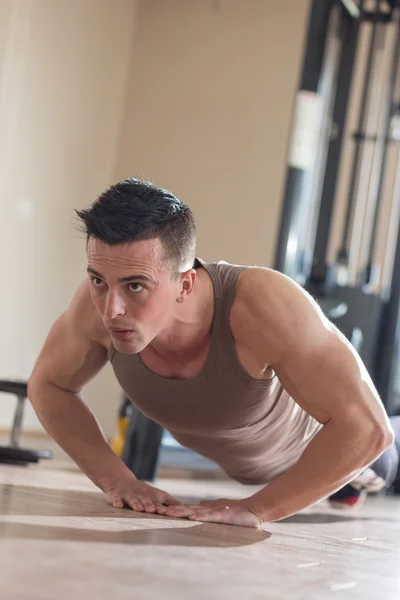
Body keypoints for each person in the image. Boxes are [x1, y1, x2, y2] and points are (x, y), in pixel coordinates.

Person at [28, 179, 398, 529]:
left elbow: (366, 431)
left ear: (184, 284)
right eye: (98, 280)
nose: (111, 309)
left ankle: (352, 484)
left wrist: (257, 508)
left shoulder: (263, 305)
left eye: (135, 286)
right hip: (255, 464)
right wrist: (117, 481)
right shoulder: (97, 306)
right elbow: (48, 385)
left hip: (330, 455)